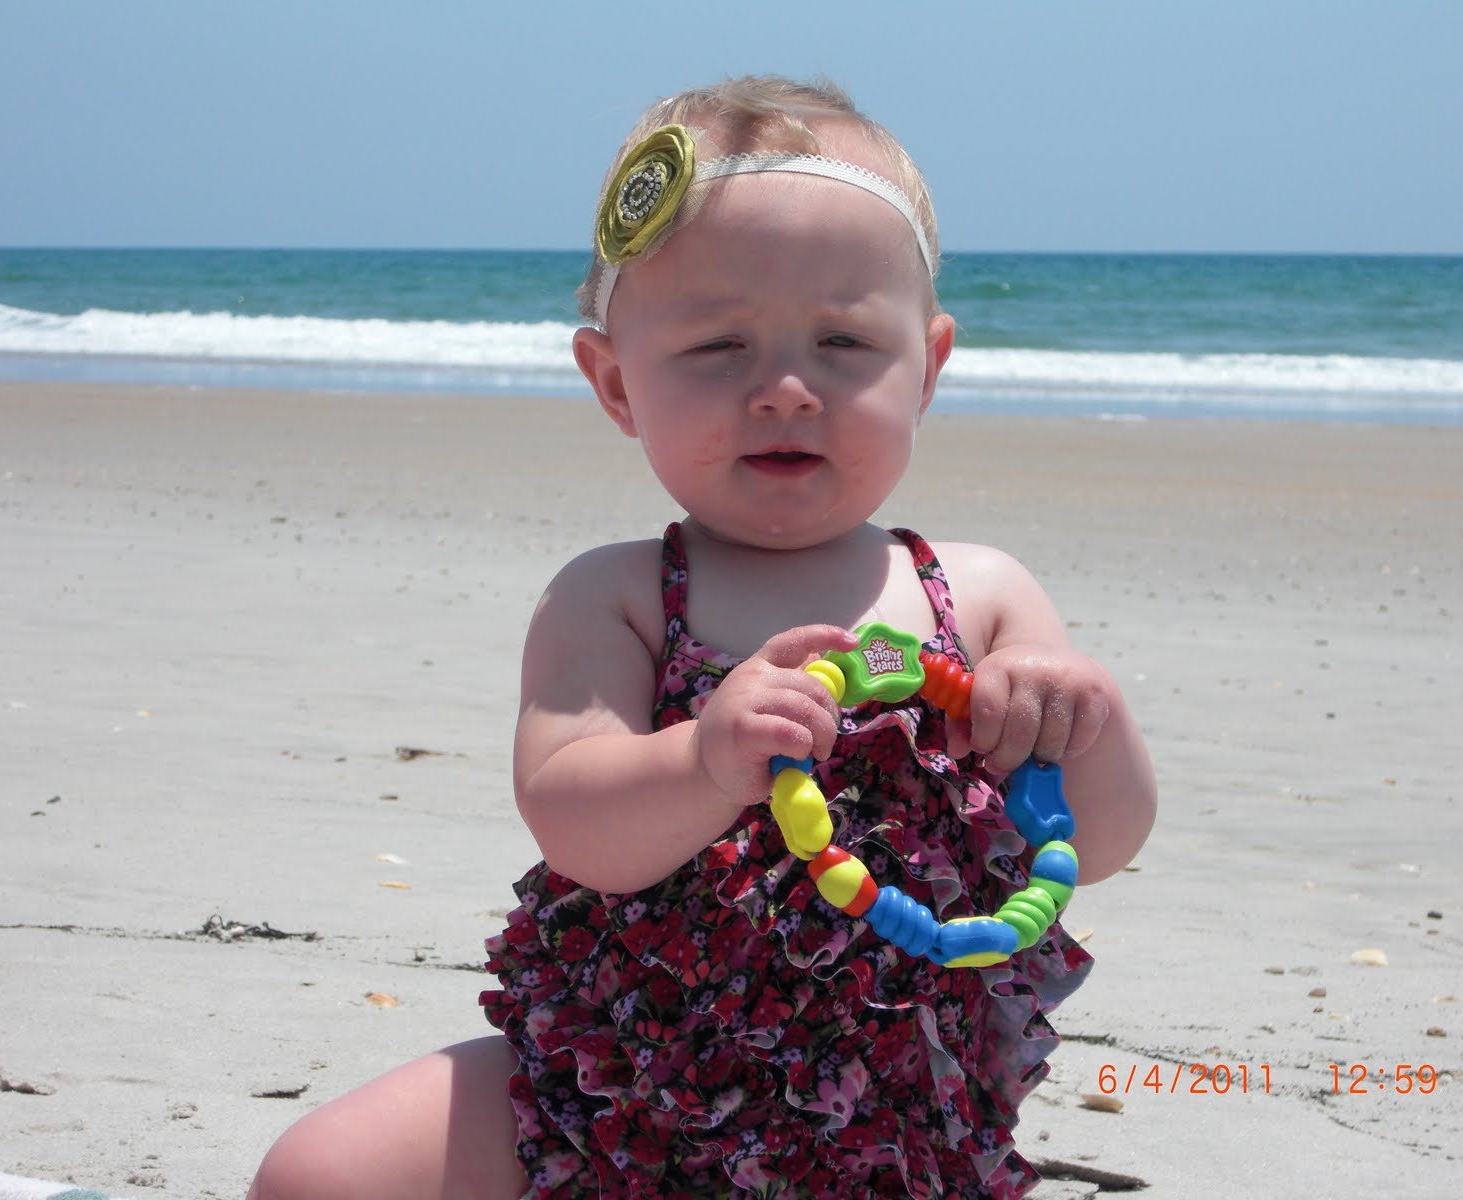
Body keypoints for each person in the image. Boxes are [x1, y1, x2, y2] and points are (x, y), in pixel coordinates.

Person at [248, 75, 1157, 1200]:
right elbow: (576, 821)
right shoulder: (620, 597)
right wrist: (702, 759)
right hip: (612, 1088)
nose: (785, 389)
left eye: (843, 340)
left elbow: (1096, 844)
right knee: (316, 1175)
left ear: (928, 366)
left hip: (892, 1117)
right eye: (720, 345)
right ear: (616, 383)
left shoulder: (978, 600)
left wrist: (1085, 717)